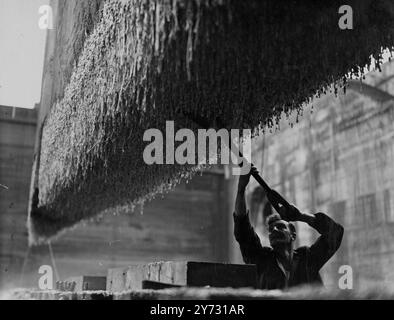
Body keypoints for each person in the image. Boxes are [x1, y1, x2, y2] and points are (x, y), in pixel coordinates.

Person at [234, 166, 344, 290]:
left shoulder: (307, 259)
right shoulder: (262, 259)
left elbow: (335, 233)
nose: (274, 230)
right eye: (270, 230)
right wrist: (241, 189)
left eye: (280, 227)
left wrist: (301, 216)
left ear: (293, 234)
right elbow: (243, 229)